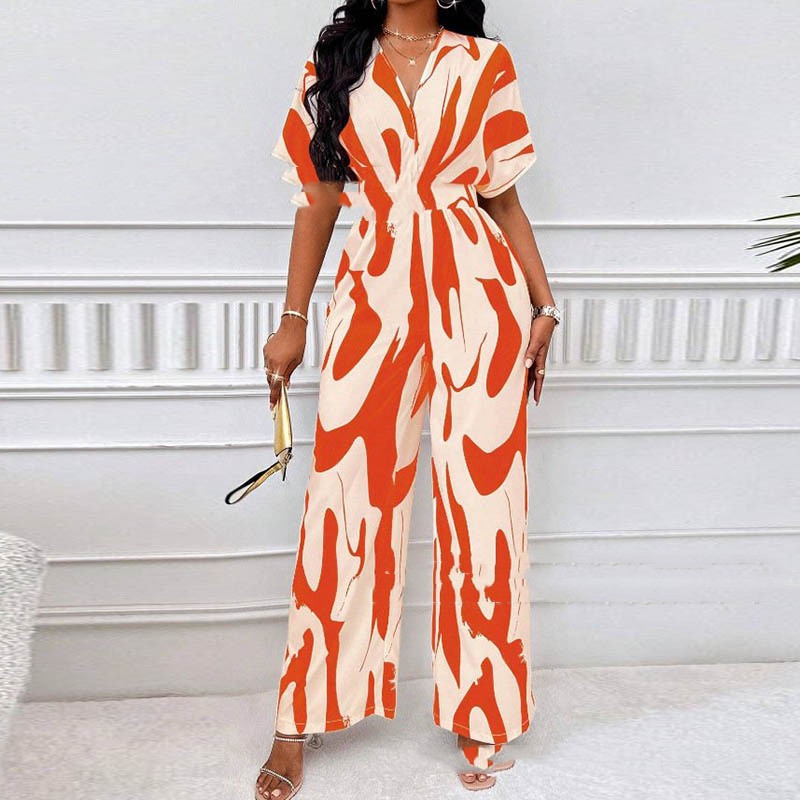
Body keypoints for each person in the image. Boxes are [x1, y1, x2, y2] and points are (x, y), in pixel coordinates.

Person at [256, 0, 560, 796]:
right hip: (374, 293)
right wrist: (293, 319)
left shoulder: (485, 62)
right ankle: (300, 714)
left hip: (480, 294)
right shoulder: (336, 59)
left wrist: (544, 304)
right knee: (344, 497)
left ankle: (483, 708)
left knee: (486, 498)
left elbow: (503, 199)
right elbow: (318, 199)